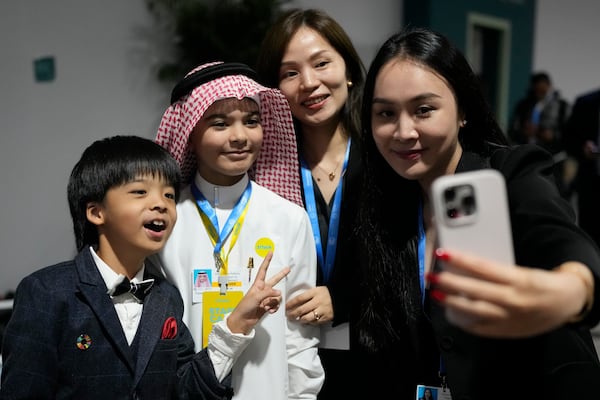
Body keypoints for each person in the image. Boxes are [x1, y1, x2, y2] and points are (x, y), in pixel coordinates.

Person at [356, 27, 600, 400]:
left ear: (463, 111)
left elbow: (562, 240)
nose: (403, 131)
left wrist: (570, 290)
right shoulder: (386, 209)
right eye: (385, 113)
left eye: (424, 110)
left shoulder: (509, 173)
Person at [0, 135, 290, 399]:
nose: (161, 204)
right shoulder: (46, 292)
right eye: (140, 192)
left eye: (169, 195)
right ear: (96, 212)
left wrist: (236, 324)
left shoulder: (166, 298)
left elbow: (186, 391)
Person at [153, 61, 324, 400]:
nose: (240, 137)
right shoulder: (165, 221)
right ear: (189, 133)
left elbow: (300, 338)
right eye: (219, 123)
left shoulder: (289, 218)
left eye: (252, 121)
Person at [255, 8, 365, 399]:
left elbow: (409, 256)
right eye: (290, 73)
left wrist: (345, 299)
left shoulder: (387, 158)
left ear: (348, 70)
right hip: (285, 359)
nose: (309, 83)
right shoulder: (264, 171)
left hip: (378, 360)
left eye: (322, 64)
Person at [508, 72, 571, 197]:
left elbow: (570, 134)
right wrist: (522, 133)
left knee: (554, 192)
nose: (539, 94)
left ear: (549, 86)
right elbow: (513, 129)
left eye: (543, 90)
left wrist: (552, 136)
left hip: (555, 158)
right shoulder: (524, 105)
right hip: (528, 156)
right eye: (536, 90)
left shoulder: (562, 106)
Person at [563, 87, 600, 248]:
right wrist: (582, 148)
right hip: (591, 182)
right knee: (590, 237)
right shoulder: (586, 103)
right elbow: (568, 139)